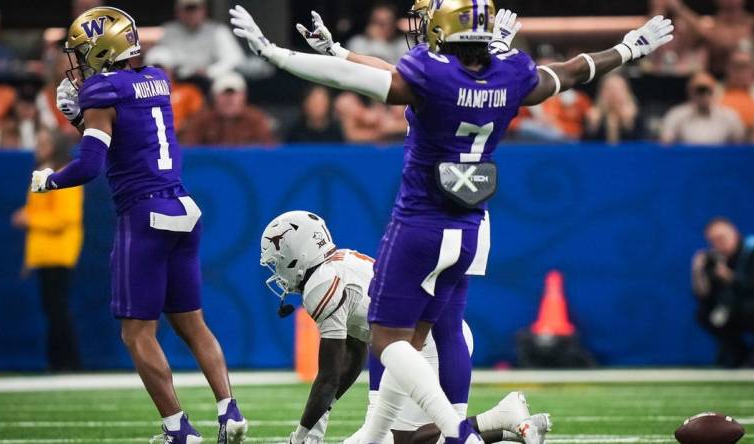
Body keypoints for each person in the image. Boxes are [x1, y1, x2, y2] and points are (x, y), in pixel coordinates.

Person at [230, 1, 673, 442]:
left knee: (389, 344)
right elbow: (574, 69)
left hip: (421, 222)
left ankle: (457, 432)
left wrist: (275, 53)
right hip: (470, 225)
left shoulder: (432, 77)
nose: (421, 31)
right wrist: (631, 47)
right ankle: (425, 429)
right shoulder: (509, 73)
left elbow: (368, 81)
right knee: (435, 331)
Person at [28, 7, 247, 443]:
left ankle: (177, 428)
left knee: (136, 331)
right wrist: (83, 117)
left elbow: (90, 165)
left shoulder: (101, 90)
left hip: (144, 213)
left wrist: (50, 179)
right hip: (183, 206)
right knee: (192, 322)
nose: (81, 61)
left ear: (104, 48)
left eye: (85, 51)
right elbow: (128, 133)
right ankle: (230, 410)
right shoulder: (159, 79)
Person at [259, 211, 549, 444]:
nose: (277, 271)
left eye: (277, 261)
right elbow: (355, 353)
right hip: (422, 338)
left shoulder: (321, 287)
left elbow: (329, 376)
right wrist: (320, 419)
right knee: (404, 438)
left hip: (424, 343)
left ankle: (501, 419)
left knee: (394, 441)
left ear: (296, 253)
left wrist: (300, 436)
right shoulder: (338, 265)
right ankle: (503, 419)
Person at [11, 128, 83, 371]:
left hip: (58, 253)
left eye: (43, 143)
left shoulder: (64, 174)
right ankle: (59, 361)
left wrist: (29, 219)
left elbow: (65, 218)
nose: (38, 148)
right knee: (53, 309)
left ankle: (67, 362)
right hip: (45, 253)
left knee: (57, 309)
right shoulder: (43, 173)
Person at [691, 217, 754, 367]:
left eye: (721, 238)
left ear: (734, 233)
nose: (718, 244)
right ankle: (739, 354)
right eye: (713, 240)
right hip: (735, 309)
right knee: (706, 313)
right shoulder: (716, 259)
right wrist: (697, 271)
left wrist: (729, 276)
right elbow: (703, 295)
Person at [179, 71, 274, 146]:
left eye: (234, 94)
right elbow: (189, 150)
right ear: (214, 96)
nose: (229, 99)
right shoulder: (201, 120)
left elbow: (268, 150)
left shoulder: (256, 119)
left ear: (243, 96)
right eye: (224, 94)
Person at [158, 0, 245, 81]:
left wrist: (209, 71)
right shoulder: (169, 31)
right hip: (179, 80)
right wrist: (168, 69)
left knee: (231, 79)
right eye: (188, 10)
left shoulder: (217, 30)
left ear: (204, 11)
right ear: (178, 12)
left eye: (195, 9)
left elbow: (235, 59)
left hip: (211, 80)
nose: (192, 14)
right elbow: (158, 56)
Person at [665, 0, 754, 75]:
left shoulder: (751, 24)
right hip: (713, 79)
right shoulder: (709, 23)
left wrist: (678, 8)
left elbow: (723, 42)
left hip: (753, 81)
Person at [660, 71, 745, 145]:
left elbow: (740, 146)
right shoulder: (676, 115)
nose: (705, 95)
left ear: (714, 91)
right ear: (690, 92)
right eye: (700, 90)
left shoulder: (729, 116)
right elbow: (665, 144)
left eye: (709, 90)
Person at [144, 46, 205, 134]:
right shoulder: (137, 94)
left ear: (172, 70)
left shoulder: (189, 92)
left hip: (182, 141)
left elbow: (198, 118)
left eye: (162, 69)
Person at [583, 74, 644, 144]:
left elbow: (642, 145)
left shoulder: (636, 115)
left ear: (627, 92)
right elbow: (585, 146)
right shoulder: (592, 115)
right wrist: (592, 126)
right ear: (601, 92)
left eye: (618, 89)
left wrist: (628, 124)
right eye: (609, 89)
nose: (613, 93)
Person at [720, 50, 754, 134]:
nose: (739, 72)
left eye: (745, 66)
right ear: (727, 71)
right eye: (736, 67)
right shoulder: (713, 94)